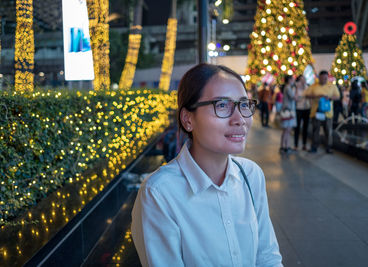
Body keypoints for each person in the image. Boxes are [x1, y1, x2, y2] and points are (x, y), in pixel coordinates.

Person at [131, 63, 283, 267]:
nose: (240, 119)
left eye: (244, 105)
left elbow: (267, 256)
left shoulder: (251, 174)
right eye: (222, 105)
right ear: (187, 119)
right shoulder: (159, 193)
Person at [304, 70, 340, 153]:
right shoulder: (314, 86)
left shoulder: (332, 86)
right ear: (319, 78)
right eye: (322, 78)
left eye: (325, 78)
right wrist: (317, 96)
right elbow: (307, 95)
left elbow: (337, 97)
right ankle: (314, 146)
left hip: (328, 113)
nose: (323, 80)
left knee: (328, 131)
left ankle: (328, 147)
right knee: (315, 130)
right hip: (316, 112)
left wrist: (330, 98)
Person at [279, 75, 296, 154]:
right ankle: (284, 147)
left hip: (287, 111)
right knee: (287, 130)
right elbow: (294, 97)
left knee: (286, 130)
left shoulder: (286, 87)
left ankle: (285, 146)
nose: (293, 80)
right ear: (289, 80)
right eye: (292, 79)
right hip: (288, 111)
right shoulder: (288, 88)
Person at [294, 75, 310, 150]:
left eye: (304, 79)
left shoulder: (307, 87)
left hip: (307, 108)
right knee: (297, 127)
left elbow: (310, 97)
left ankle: (304, 144)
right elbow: (296, 99)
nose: (303, 81)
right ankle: (296, 145)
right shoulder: (296, 88)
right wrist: (297, 88)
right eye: (301, 80)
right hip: (299, 109)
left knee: (305, 128)